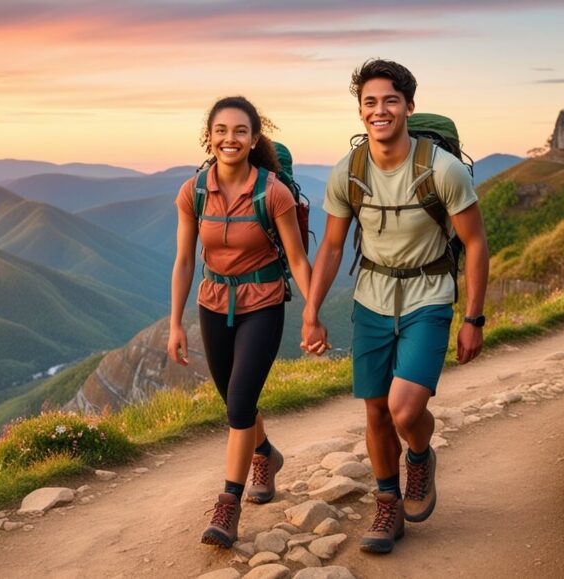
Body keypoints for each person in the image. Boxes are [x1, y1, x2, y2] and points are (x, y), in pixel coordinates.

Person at [301, 59, 489, 554]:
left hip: (429, 297)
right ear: (360, 111)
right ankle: (387, 505)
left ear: (408, 105)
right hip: (372, 299)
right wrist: (311, 310)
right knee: (376, 410)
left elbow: (474, 243)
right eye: (369, 102)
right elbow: (334, 247)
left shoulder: (441, 169)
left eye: (389, 100)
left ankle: (421, 456)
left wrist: (473, 318)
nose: (379, 110)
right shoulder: (351, 171)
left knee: (405, 410)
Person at [168, 96, 315, 548]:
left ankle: (227, 507)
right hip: (213, 303)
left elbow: (295, 257)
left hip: (264, 302)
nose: (230, 139)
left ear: (254, 139)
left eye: (240, 131)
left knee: (237, 405)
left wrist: (312, 313)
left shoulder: (274, 192)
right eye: (221, 131)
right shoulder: (192, 190)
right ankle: (266, 455)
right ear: (209, 138)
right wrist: (175, 322)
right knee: (237, 398)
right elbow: (184, 260)